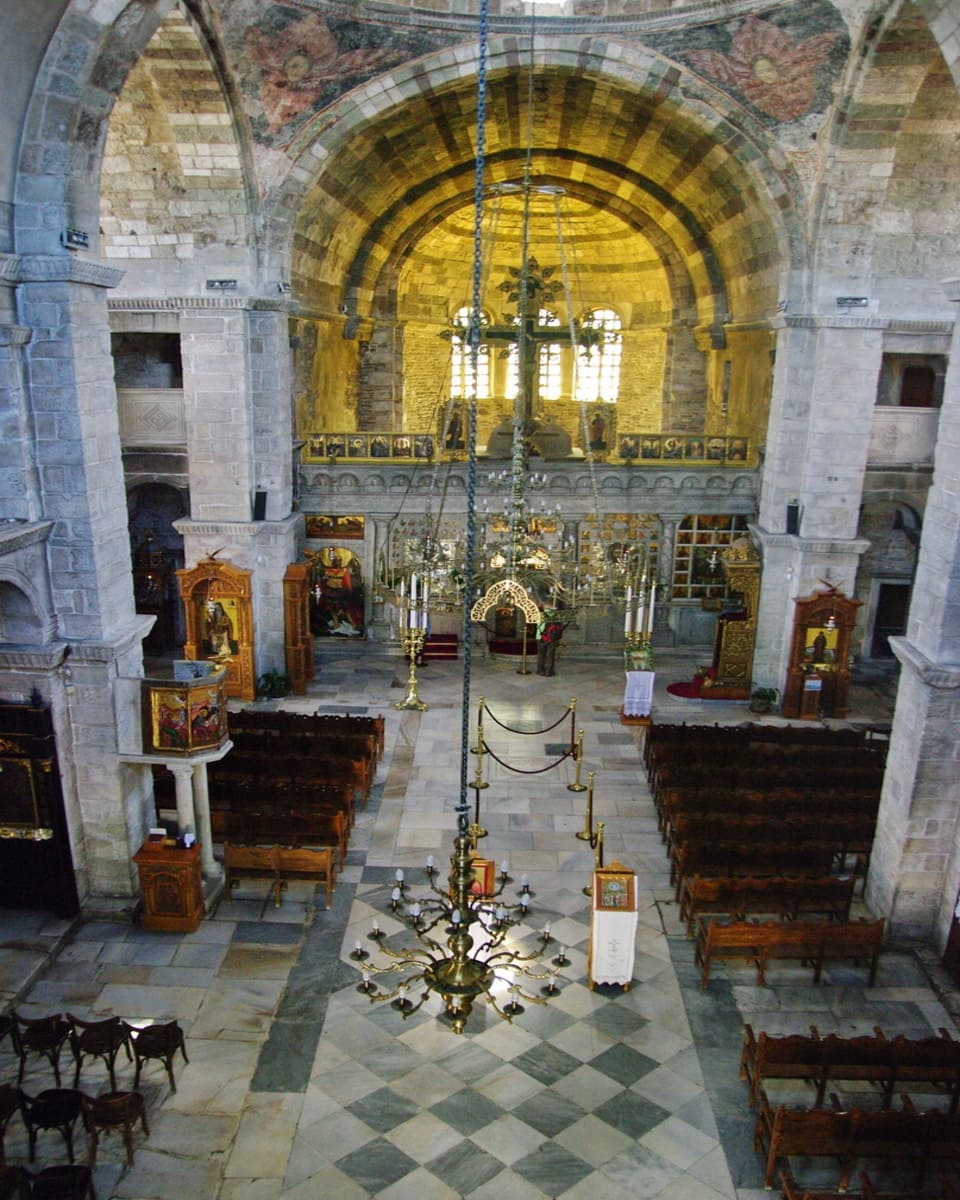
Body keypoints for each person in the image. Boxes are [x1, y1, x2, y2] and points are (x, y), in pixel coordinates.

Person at [536, 605, 565, 677]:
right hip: (553, 638)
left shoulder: (540, 614)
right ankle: (549, 671)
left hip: (541, 637)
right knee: (550, 655)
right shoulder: (557, 615)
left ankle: (541, 670)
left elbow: (537, 625)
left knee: (541, 654)